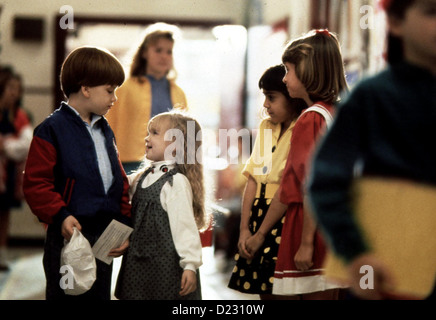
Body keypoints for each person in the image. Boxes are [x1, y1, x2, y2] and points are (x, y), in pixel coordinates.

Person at [307, 0, 436, 300]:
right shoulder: (372, 96)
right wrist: (355, 252)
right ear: (395, 21)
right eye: (432, 12)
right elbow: (325, 181)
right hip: (381, 267)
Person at [245, 30, 348, 299]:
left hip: (308, 228)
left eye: (289, 70)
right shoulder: (336, 113)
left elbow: (308, 187)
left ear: (309, 72)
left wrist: (304, 243)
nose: (284, 77)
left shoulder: (310, 119)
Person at [22, 46, 132, 300]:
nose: (114, 98)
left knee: (98, 295)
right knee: (67, 295)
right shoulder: (51, 130)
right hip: (70, 233)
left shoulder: (105, 130)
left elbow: (118, 180)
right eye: (109, 90)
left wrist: (124, 223)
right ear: (86, 89)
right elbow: (36, 183)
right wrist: (60, 216)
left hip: (104, 234)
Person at [227, 65, 307, 299]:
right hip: (257, 213)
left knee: (281, 290)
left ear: (292, 97)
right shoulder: (266, 127)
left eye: (271, 97)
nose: (265, 105)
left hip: (283, 216)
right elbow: (253, 179)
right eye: (264, 97)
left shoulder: (301, 127)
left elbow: (287, 187)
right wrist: (244, 229)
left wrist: (260, 233)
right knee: (263, 290)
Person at [115, 111, 206, 300]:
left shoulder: (176, 182)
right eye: (148, 132)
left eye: (155, 133)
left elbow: (185, 228)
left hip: (165, 266)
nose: (146, 138)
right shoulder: (142, 177)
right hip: (137, 262)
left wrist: (190, 265)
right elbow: (117, 187)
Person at [106, 23, 188, 174]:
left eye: (169, 52)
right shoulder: (124, 87)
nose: (164, 56)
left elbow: (185, 134)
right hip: (129, 164)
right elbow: (108, 125)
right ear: (144, 53)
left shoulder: (179, 93)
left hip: (169, 165)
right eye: (158, 50)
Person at [0, 67, 32, 271]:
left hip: (8, 173)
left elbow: (26, 144)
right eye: (11, 88)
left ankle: (1, 255)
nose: (14, 93)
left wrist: (5, 145)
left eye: (17, 89)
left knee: (4, 214)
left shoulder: (19, 115)